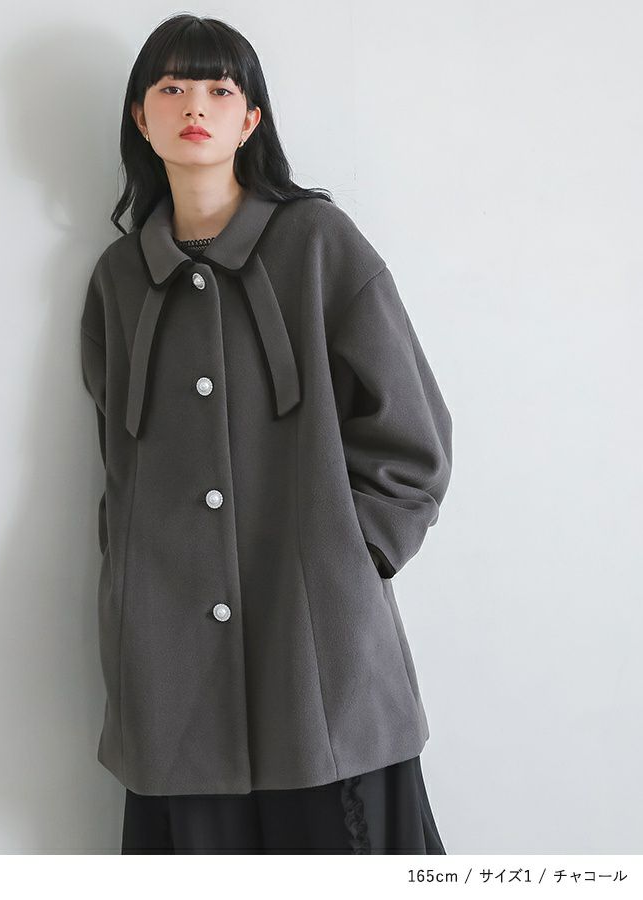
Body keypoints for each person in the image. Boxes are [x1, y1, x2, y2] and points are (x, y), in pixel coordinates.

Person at [80, 13, 453, 854]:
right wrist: (130, 588)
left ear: (251, 119)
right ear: (141, 116)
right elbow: (117, 464)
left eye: (220, 89)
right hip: (171, 667)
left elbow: (414, 433)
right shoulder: (119, 281)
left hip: (317, 656)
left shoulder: (319, 244)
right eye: (171, 88)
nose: (194, 106)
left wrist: (350, 558)